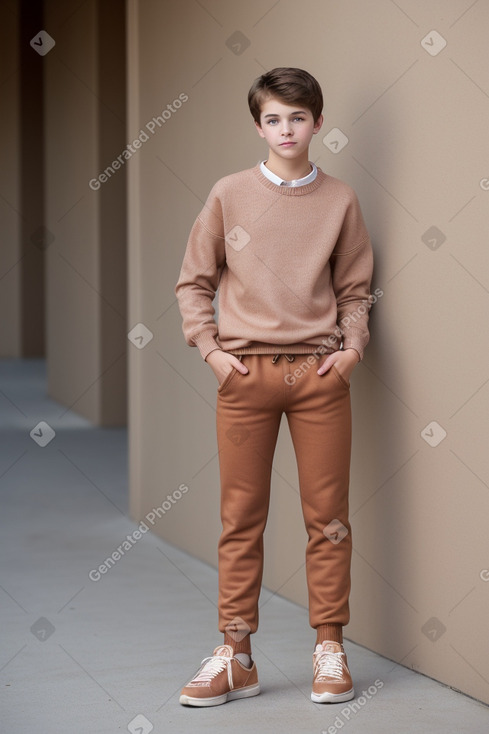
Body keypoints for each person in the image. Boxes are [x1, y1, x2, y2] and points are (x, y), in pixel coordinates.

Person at [175, 67, 374, 707]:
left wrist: (351, 351)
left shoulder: (340, 200)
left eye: (298, 117)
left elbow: (354, 290)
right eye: (273, 119)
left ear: (317, 122)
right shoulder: (229, 194)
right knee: (240, 519)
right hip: (244, 375)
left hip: (319, 376)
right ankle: (236, 657)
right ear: (258, 124)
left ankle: (331, 646)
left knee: (329, 519)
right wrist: (210, 351)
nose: (285, 130)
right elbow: (193, 282)